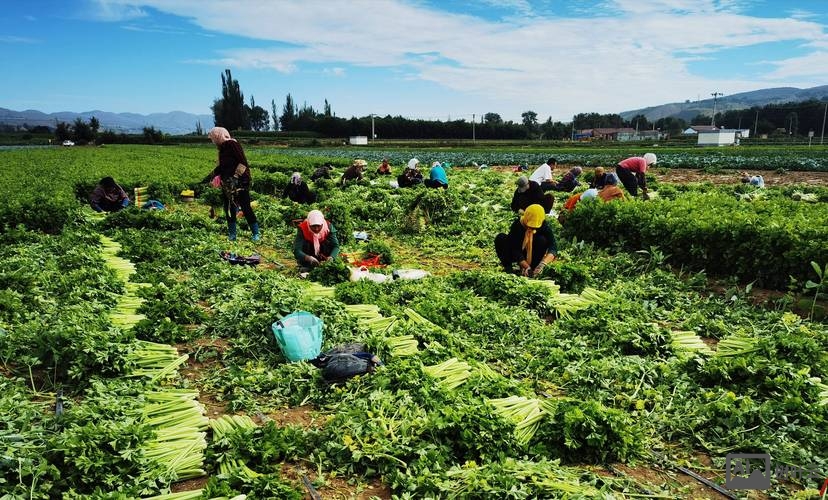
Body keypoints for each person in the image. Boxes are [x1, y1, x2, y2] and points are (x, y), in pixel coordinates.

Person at [203, 126, 260, 241]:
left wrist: (235, 177)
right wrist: (208, 177)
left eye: (214, 138)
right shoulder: (222, 149)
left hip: (240, 181)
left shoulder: (232, 144)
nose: (213, 141)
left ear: (219, 136)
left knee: (245, 206)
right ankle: (232, 234)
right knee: (229, 208)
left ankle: (256, 233)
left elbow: (242, 163)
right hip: (227, 183)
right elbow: (221, 167)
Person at [494, 204, 558, 278]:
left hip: (534, 254)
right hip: (518, 253)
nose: (532, 228)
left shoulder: (543, 225)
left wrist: (543, 263)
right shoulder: (517, 225)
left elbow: (553, 246)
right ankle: (508, 269)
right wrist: (525, 266)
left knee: (542, 240)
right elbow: (515, 249)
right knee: (501, 238)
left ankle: (534, 268)